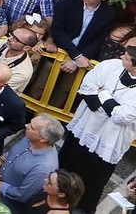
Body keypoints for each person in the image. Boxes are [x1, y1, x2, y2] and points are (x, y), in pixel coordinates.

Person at [59, 39, 136, 203]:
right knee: (69, 162)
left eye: (127, 58)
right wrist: (107, 106)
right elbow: (88, 84)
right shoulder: (112, 65)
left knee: (93, 175)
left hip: (110, 137)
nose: (122, 56)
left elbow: (123, 116)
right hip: (87, 124)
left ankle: (82, 205)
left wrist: (104, 94)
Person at [0, 115, 62, 214]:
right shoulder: (30, 139)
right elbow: (12, 153)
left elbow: (21, 195)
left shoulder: (42, 168)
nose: (26, 125)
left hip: (5, 203)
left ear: (43, 139)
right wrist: (1, 160)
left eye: (31, 127)